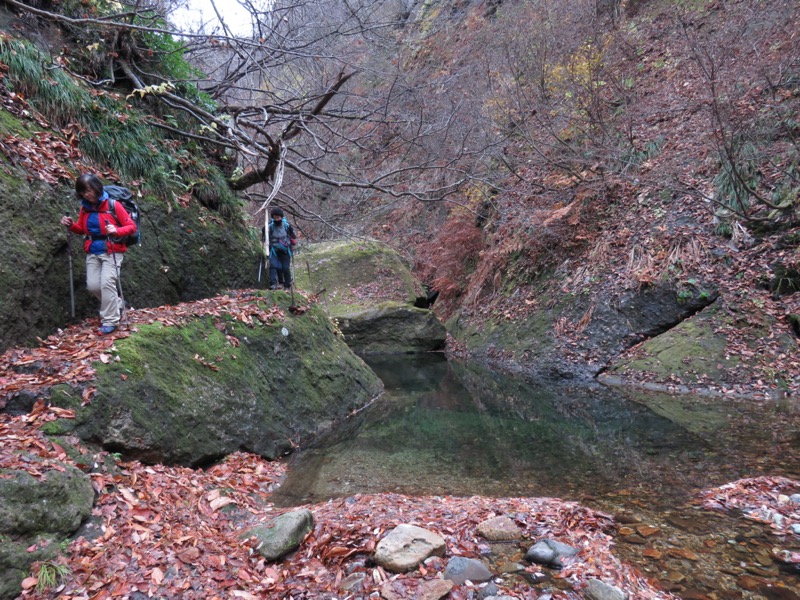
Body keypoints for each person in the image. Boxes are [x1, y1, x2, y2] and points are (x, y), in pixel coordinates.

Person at [61, 174, 137, 335]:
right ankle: (117, 304)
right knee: (93, 286)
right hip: (93, 251)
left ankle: (111, 320)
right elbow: (82, 229)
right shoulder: (85, 208)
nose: (86, 194)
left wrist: (116, 230)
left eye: (88, 190)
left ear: (96, 188)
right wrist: (71, 225)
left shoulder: (113, 205)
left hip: (112, 249)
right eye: (83, 192)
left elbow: (131, 227)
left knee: (107, 282)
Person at [267, 207, 296, 290]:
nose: (276, 219)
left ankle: (287, 285)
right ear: (273, 218)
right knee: (273, 266)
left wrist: (291, 230)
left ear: (281, 217)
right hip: (274, 251)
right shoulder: (270, 227)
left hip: (285, 251)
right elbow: (265, 238)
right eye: (275, 218)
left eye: (278, 217)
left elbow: (293, 237)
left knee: (285, 268)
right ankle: (273, 284)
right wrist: (264, 231)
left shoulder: (286, 226)